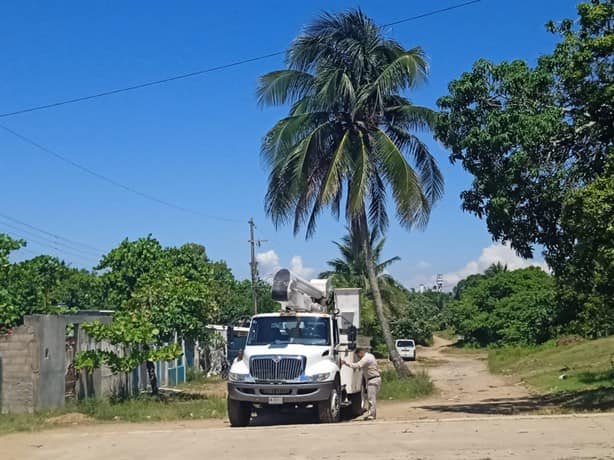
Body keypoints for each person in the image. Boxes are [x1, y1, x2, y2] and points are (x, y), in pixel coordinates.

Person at [342, 347, 381, 420]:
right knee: (370, 398)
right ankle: (371, 414)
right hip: (374, 379)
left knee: (371, 398)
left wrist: (345, 363)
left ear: (360, 353)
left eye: (358, 355)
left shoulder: (366, 358)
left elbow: (357, 365)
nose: (358, 357)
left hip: (372, 379)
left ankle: (372, 415)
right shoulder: (370, 355)